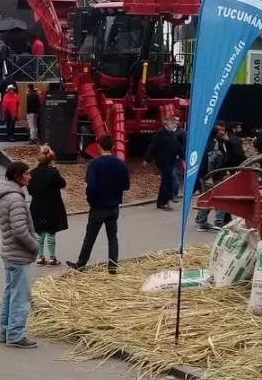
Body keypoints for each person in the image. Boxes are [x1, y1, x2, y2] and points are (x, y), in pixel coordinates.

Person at [66, 135, 130, 274]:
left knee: (90, 237)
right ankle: (112, 265)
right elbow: (126, 185)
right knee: (112, 237)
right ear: (112, 146)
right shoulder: (120, 164)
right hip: (113, 206)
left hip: (97, 207)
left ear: (99, 146)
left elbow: (90, 185)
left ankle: (81, 264)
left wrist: (90, 199)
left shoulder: (94, 164)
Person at [0, 161, 38, 348]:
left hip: (9, 253)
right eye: (26, 173)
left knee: (10, 293)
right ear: (18, 176)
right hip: (18, 254)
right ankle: (15, 334)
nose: (29, 177)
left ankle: (6, 331)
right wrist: (35, 246)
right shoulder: (16, 198)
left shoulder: (6, 195)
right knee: (20, 295)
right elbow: (20, 230)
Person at [27, 145, 68, 266]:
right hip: (52, 205)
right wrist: (56, 172)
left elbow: (30, 191)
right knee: (51, 232)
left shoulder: (32, 173)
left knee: (40, 232)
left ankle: (40, 256)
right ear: (51, 159)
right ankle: (52, 257)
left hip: (38, 205)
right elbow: (63, 184)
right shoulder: (53, 172)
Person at [145, 116, 181, 211]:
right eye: (173, 124)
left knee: (168, 181)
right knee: (167, 181)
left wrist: (182, 155)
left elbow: (176, 146)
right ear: (167, 124)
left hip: (171, 160)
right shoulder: (160, 134)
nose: (174, 126)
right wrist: (147, 159)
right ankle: (163, 202)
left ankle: (164, 200)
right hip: (163, 161)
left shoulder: (172, 134)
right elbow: (152, 147)